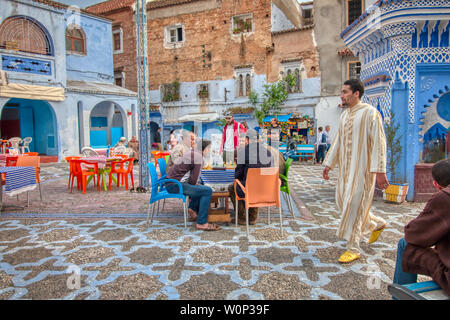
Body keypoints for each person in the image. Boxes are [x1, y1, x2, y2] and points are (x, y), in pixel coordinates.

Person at [322, 79, 389, 263]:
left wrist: (380, 171)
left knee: (353, 206)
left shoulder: (370, 113)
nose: (341, 95)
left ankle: (353, 247)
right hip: (345, 171)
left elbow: (379, 142)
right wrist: (328, 164)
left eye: (344, 92)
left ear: (356, 93)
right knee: (343, 202)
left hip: (363, 171)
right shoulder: (344, 116)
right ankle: (376, 223)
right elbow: (338, 141)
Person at [392, 159, 450, 296]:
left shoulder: (445, 198)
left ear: (437, 185)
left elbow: (413, 235)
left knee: (405, 244)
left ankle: (400, 297)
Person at [166, 130, 221, 231]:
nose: (209, 151)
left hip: (171, 182)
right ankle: (202, 223)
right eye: (209, 148)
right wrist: (198, 184)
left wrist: (197, 184)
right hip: (175, 185)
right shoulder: (198, 156)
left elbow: (193, 180)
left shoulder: (192, 152)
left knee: (200, 185)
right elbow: (192, 181)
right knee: (207, 190)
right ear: (205, 148)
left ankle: (192, 209)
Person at [228, 129, 273, 225]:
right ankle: (252, 217)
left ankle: (242, 217)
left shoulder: (243, 152)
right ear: (258, 139)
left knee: (233, 187)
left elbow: (237, 175)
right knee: (252, 184)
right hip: (266, 189)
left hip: (249, 188)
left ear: (247, 140)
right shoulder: (268, 153)